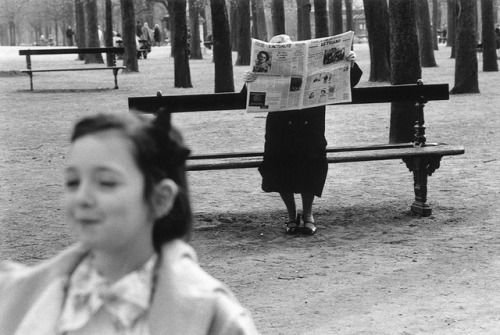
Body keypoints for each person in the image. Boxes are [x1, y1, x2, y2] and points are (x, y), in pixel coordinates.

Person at [0, 112, 259, 334]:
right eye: (73, 182)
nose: (82, 198)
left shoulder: (214, 319)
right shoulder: (19, 296)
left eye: (106, 183)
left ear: (160, 198)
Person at [243, 34, 362, 236]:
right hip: (280, 130)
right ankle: (291, 215)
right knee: (278, 170)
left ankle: (308, 215)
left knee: (311, 169)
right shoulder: (262, 69)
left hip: (310, 127)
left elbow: (349, 82)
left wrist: (350, 62)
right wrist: (249, 82)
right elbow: (247, 101)